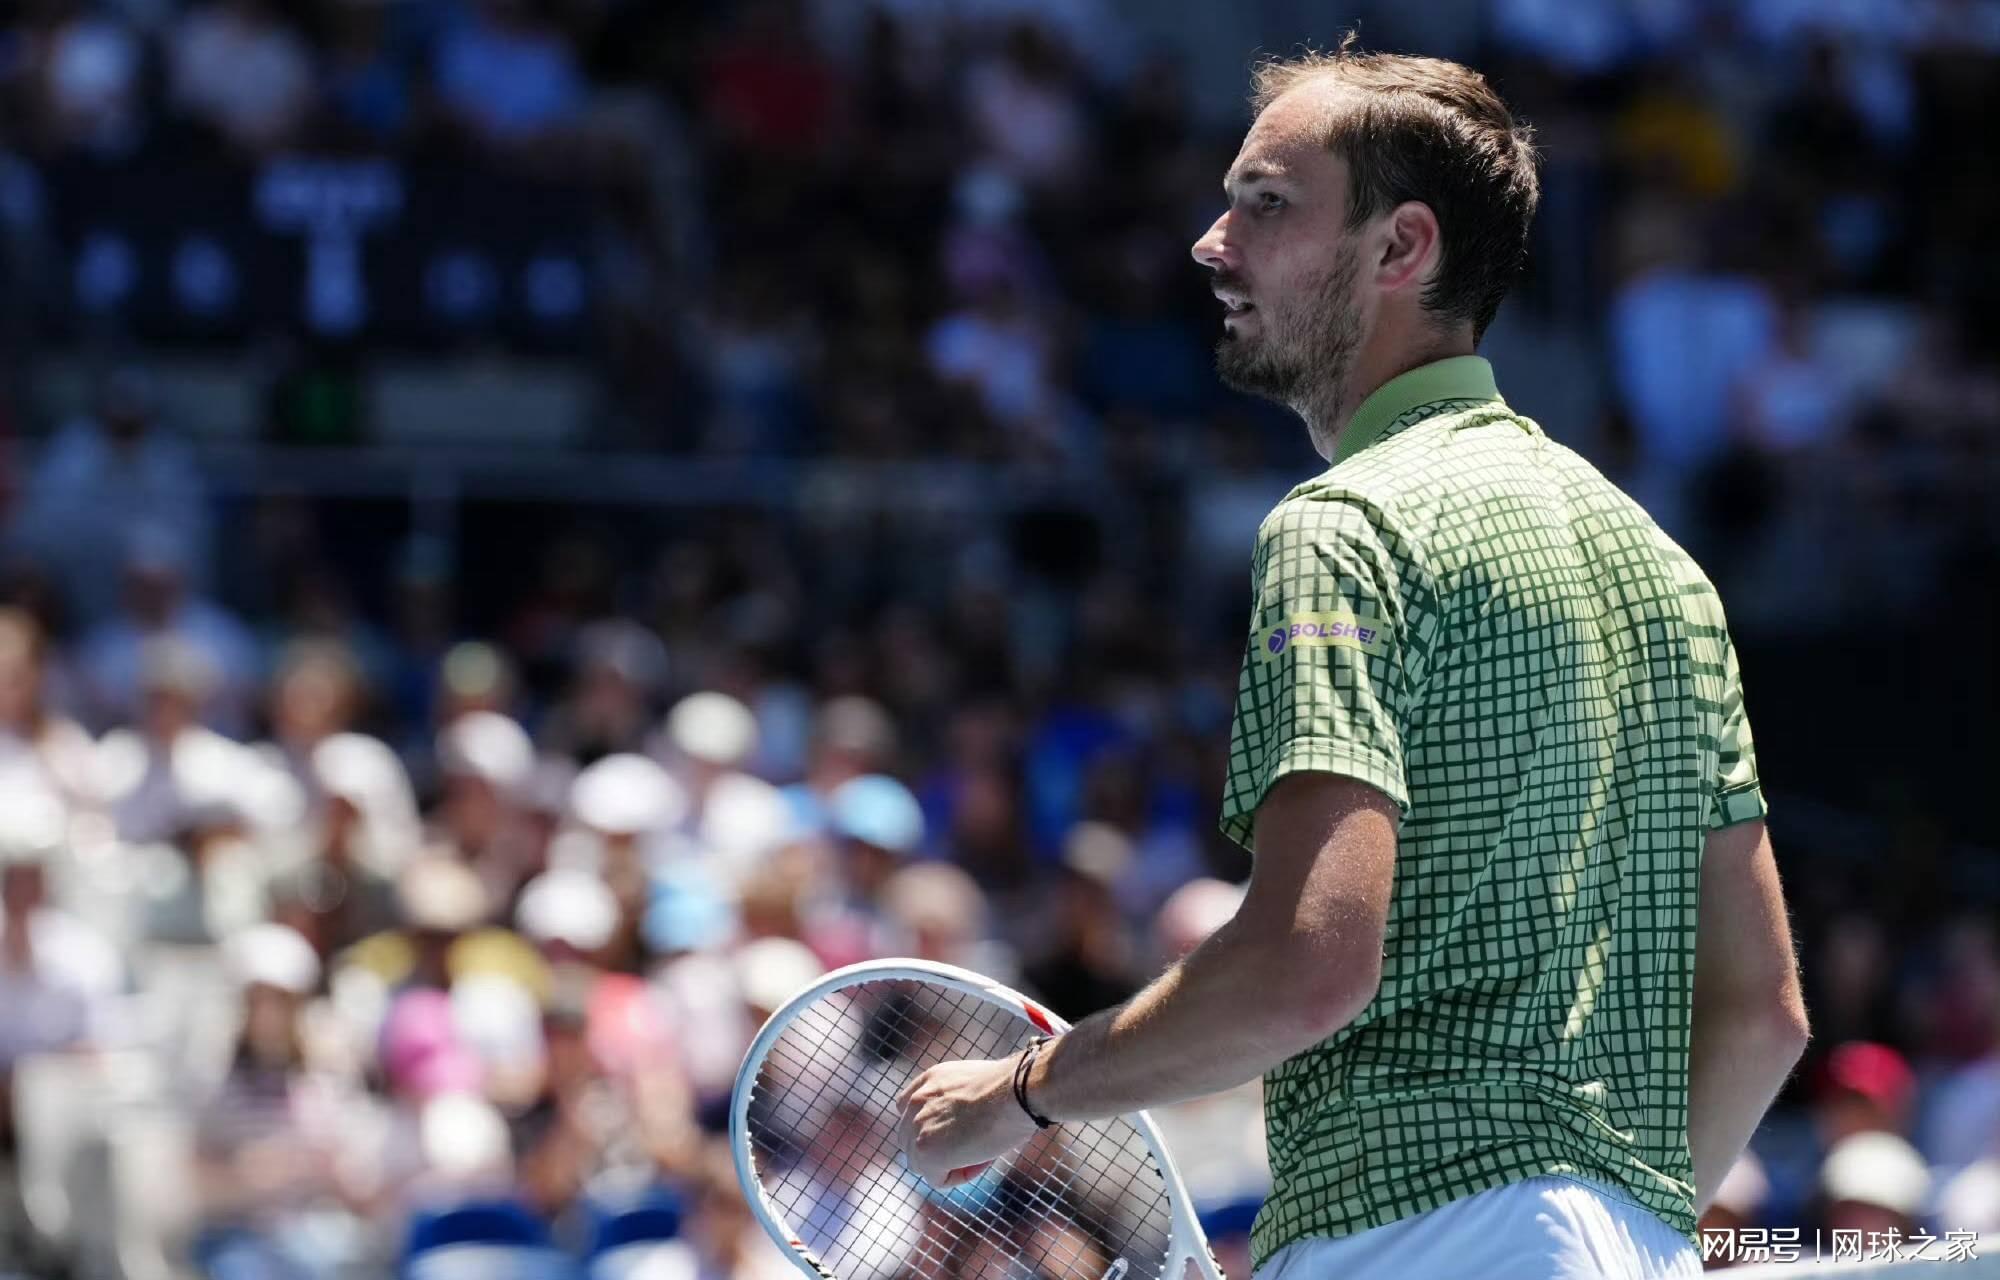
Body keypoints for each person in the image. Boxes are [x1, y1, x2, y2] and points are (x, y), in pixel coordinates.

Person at [896, 38, 1809, 1280]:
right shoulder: (1663, 567)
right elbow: (1761, 1018)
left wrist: (1022, 1091)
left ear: (1400, 248)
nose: (1210, 243)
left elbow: (1304, 968)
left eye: (1265, 205)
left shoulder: (1345, 525)